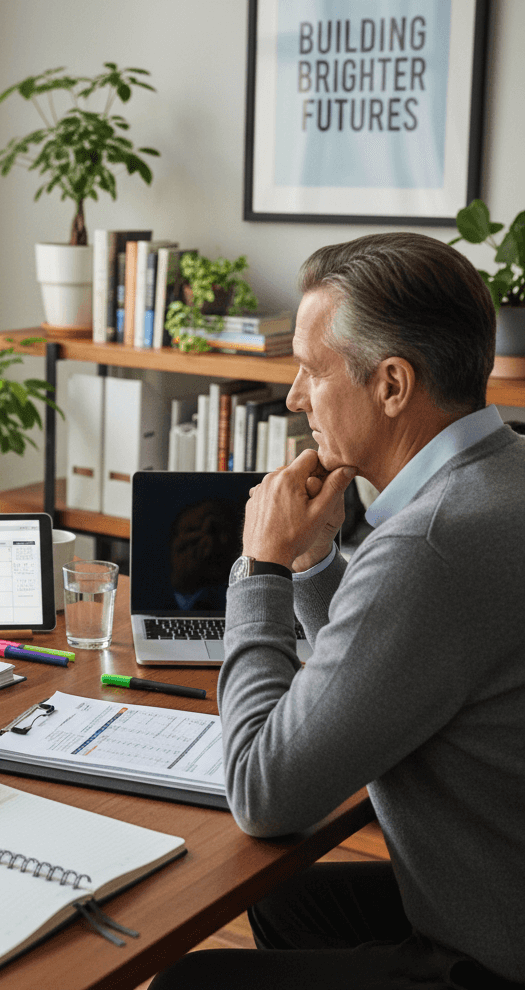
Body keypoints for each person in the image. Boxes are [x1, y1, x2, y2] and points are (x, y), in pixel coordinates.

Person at [151, 233, 525, 989]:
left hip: (491, 952)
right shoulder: (504, 470)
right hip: (501, 885)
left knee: (192, 982)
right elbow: (372, 676)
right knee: (288, 898)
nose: (292, 397)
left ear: (391, 385)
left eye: (311, 371)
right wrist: (315, 562)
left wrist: (259, 567)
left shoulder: (429, 545)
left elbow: (261, 794)